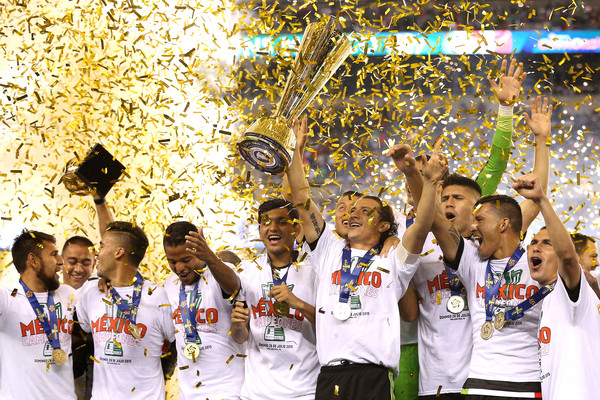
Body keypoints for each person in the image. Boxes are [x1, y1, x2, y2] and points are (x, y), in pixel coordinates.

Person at [287, 110, 447, 400]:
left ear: (384, 225)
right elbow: (301, 199)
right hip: (330, 374)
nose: (353, 214)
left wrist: (427, 180)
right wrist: (294, 151)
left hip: (373, 375)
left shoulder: (394, 259)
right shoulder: (329, 250)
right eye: (351, 209)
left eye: (365, 210)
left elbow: (423, 224)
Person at [427, 95, 553, 399]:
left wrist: (541, 139)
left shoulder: (536, 261)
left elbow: (538, 197)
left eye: (479, 218)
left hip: (529, 384)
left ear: (504, 224)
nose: (473, 225)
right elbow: (434, 220)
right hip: (479, 383)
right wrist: (429, 182)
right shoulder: (472, 260)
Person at [513, 173, 600, 399]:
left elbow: (569, 259)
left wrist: (542, 202)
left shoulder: (571, 294)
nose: (535, 247)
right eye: (533, 242)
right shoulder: (549, 300)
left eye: (547, 243)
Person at [230, 199, 319, 399]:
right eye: (266, 223)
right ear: (260, 229)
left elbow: (330, 326)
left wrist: (298, 303)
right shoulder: (246, 271)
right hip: (257, 393)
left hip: (303, 391)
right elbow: (239, 337)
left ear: (295, 228)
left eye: (281, 221)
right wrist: (237, 325)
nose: (272, 228)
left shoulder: (314, 269)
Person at [76, 221, 175, 399]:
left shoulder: (159, 296)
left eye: (102, 246)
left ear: (119, 252)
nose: (97, 253)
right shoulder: (89, 296)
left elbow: (177, 344)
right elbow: (78, 337)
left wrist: (165, 373)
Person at [163, 221, 245, 399]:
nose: (179, 268)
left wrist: (210, 257)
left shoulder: (220, 275)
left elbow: (234, 287)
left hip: (227, 391)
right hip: (188, 393)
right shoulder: (169, 284)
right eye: (172, 261)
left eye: (186, 260)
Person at [0, 230, 76, 399]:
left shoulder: (70, 295)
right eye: (54, 254)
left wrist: (105, 281)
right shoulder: (6, 298)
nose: (61, 261)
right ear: (33, 260)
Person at [571, 232, 600, 298]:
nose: (597, 263)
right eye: (593, 256)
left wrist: (595, 288)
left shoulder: (596, 279)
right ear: (575, 256)